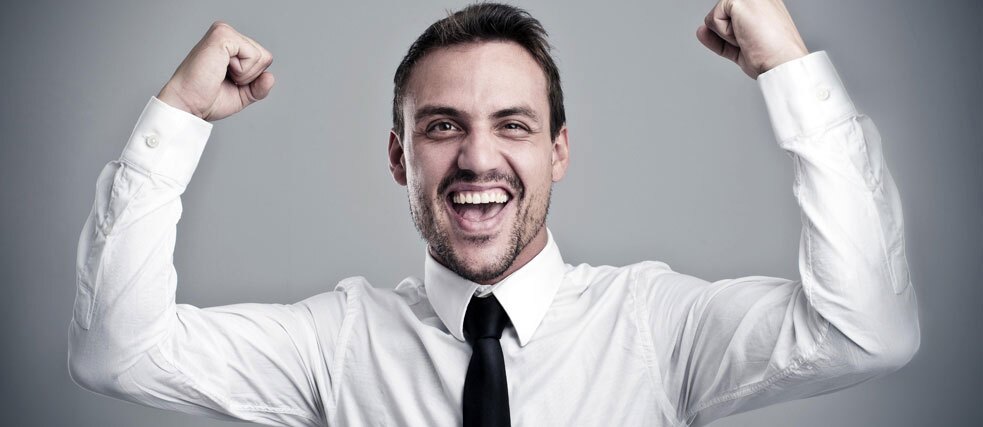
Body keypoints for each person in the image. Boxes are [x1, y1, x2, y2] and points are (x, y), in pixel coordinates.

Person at [68, 2, 920, 426]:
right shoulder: (334, 345)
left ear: (556, 150)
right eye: (442, 128)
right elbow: (119, 352)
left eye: (512, 124)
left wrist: (792, 74)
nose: (477, 160)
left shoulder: (659, 327)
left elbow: (865, 331)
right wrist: (175, 116)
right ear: (400, 158)